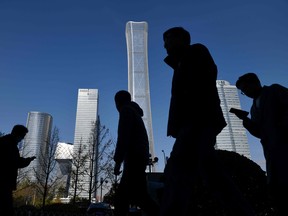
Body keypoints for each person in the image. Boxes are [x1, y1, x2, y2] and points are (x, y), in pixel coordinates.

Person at [160, 27, 255, 216]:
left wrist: (187, 123)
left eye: (168, 39)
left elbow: (197, 87)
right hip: (193, 123)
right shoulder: (181, 63)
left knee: (180, 171)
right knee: (204, 169)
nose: (165, 45)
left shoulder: (196, 52)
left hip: (197, 121)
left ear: (180, 39)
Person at [234, 72, 288, 215]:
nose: (245, 93)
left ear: (255, 83)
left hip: (284, 146)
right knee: (277, 191)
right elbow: (258, 132)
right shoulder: (253, 108)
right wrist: (245, 120)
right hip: (271, 153)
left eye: (246, 89)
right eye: (243, 92)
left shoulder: (274, 90)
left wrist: (281, 129)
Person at [113, 90, 159, 216]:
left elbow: (123, 137)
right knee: (140, 197)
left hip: (133, 159)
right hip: (140, 158)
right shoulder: (135, 113)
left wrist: (117, 161)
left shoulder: (126, 111)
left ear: (118, 102)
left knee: (122, 198)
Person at [0, 124, 36, 216]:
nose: (22, 139)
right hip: (4, 181)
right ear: (17, 134)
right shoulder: (9, 144)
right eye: (23, 136)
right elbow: (14, 161)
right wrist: (27, 160)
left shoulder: (6, 142)